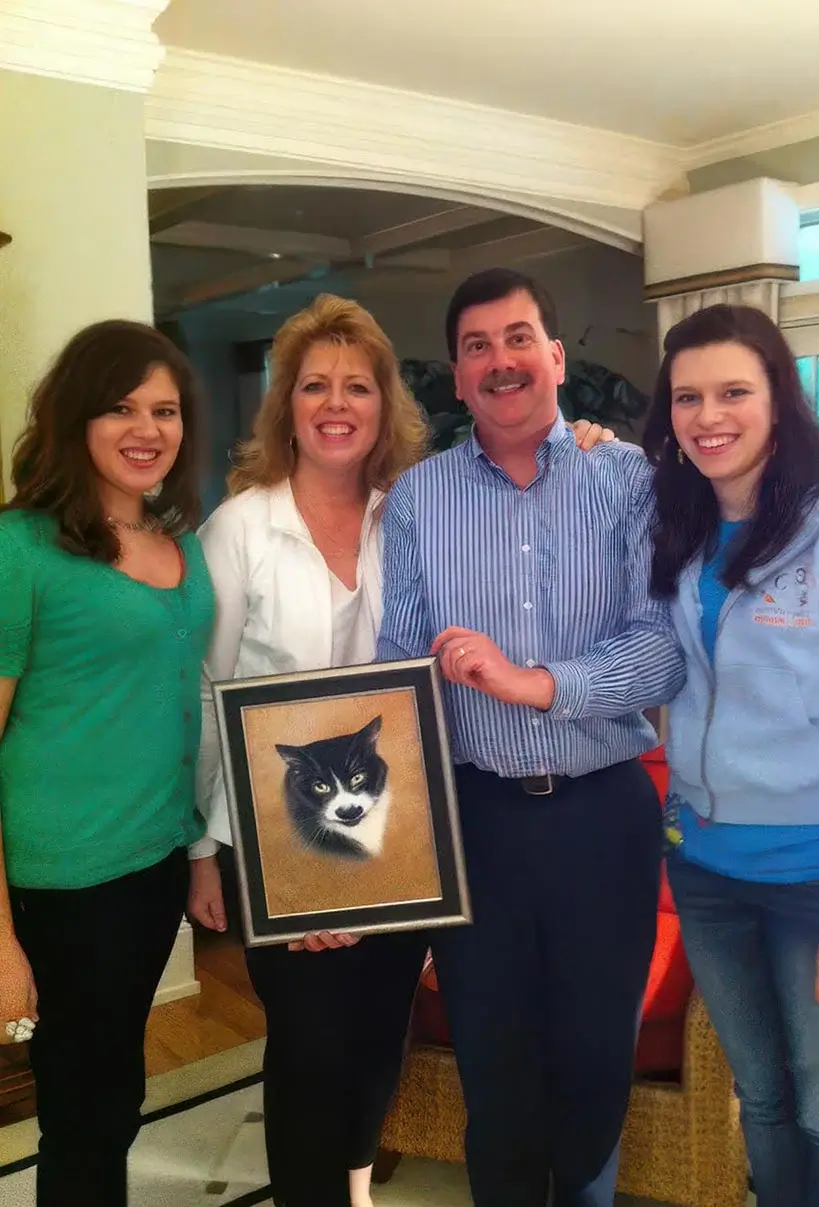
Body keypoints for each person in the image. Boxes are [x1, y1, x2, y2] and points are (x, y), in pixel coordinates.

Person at [186, 292, 612, 1207]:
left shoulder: (412, 512)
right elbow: (207, 698)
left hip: (397, 839)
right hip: (274, 841)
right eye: (313, 386)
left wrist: (597, 446)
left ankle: (354, 1190)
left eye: (357, 386)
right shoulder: (239, 529)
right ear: (286, 405)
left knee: (380, 1040)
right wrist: (204, 854)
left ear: (386, 405)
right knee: (310, 1051)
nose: (336, 404)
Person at [376, 267, 686, 1207]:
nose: (499, 361)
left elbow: (663, 649)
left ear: (555, 355)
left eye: (518, 338)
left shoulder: (627, 477)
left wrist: (534, 683)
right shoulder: (419, 500)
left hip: (605, 816)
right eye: (476, 347)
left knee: (597, 1062)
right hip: (478, 823)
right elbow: (399, 661)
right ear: (459, 377)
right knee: (494, 1061)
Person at [643, 302, 819, 1207]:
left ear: (779, 401)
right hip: (707, 871)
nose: (709, 416)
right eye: (687, 398)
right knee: (763, 1099)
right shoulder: (678, 528)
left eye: (733, 392)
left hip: (813, 882)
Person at [0, 320, 214, 1207]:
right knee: (84, 1115)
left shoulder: (182, 543)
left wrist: (198, 850)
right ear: (75, 418)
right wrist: (0, 937)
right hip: (62, 883)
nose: (147, 427)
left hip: (153, 863)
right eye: (121, 406)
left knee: (114, 1096)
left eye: (164, 409)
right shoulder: (22, 547)